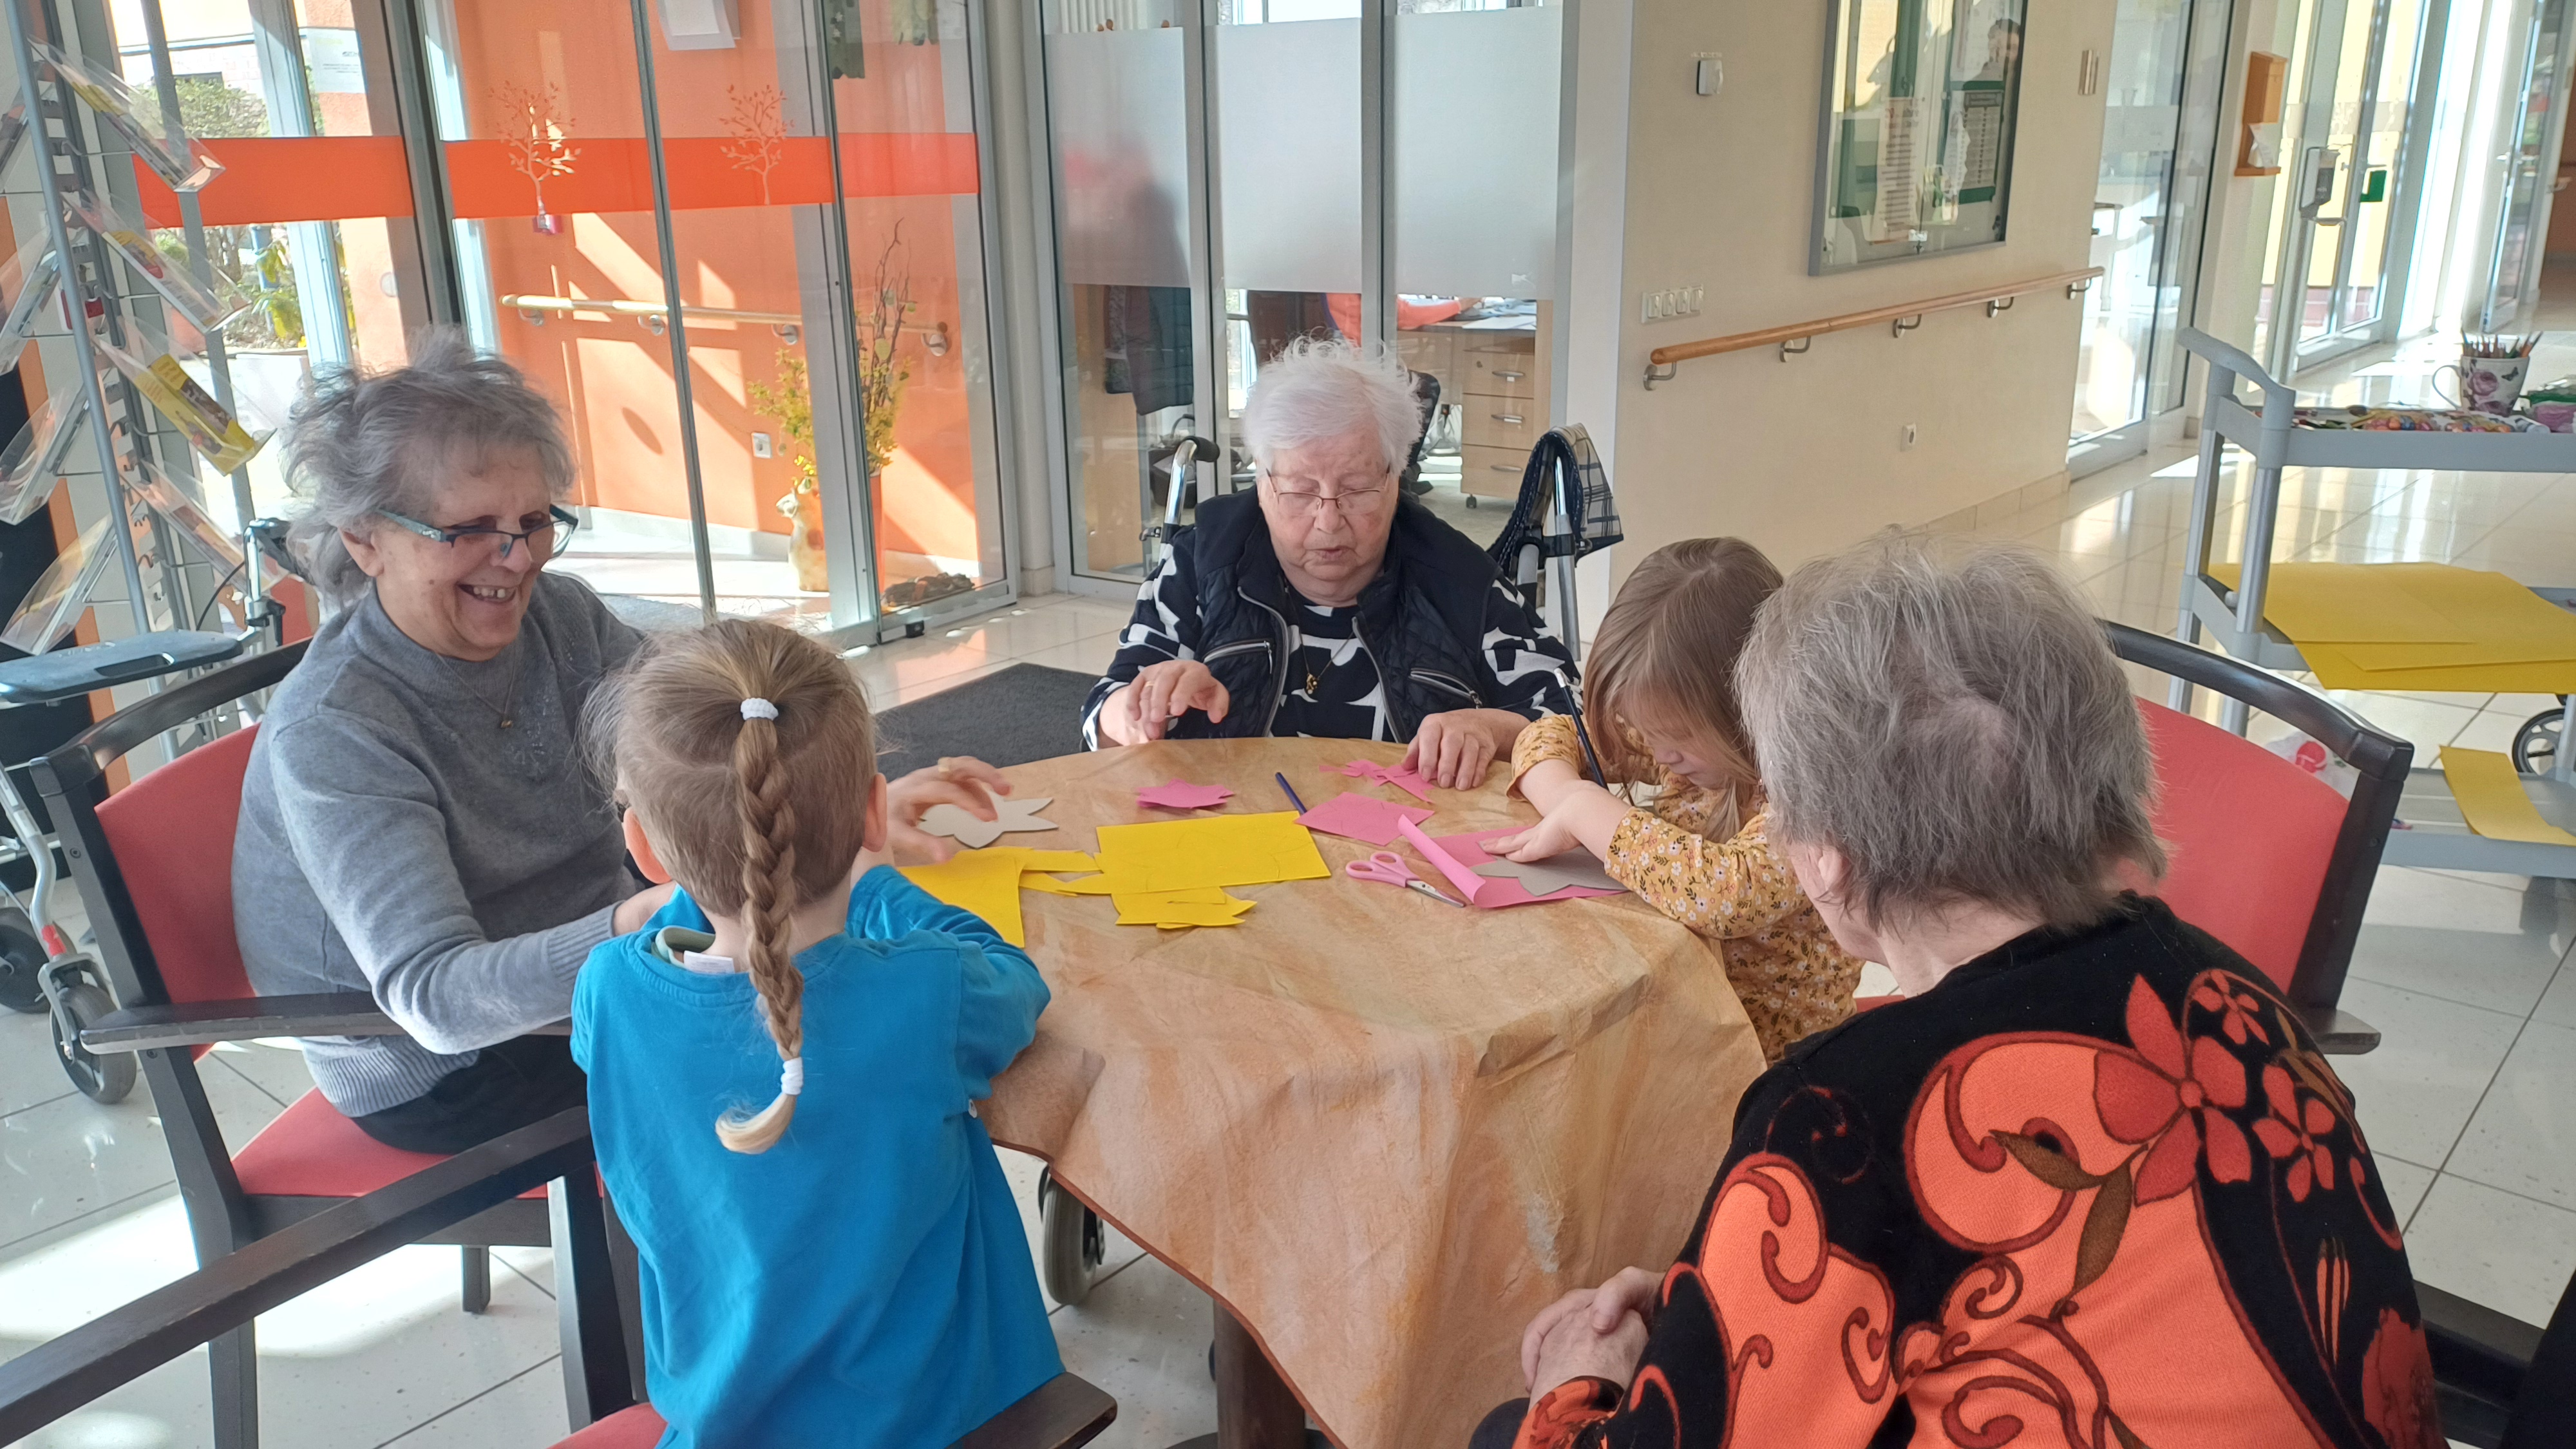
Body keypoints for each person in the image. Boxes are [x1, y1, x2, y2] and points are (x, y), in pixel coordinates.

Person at [1480, 535, 2441, 1449]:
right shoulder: (2237, 1001)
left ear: (1826, 857)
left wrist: (1583, 1378)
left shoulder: (1840, 1119)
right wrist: (1721, 1303)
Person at [234, 330, 1018, 1154]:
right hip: (449, 1069)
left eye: (535, 521)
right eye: (468, 528)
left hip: (607, 960)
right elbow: (438, 1000)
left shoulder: (560, 617)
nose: (516, 559)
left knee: (861, 997)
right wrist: (639, 922)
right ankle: (782, 1268)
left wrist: (837, 807)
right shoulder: (339, 729)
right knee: (850, 1043)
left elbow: (706, 750)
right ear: (364, 538)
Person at [574, 618, 1057, 1446]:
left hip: (717, 1413)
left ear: (644, 848)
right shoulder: (925, 991)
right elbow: (1014, 978)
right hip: (936, 1412)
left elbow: (709, 939)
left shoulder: (607, 986)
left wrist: (719, 867)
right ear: (877, 810)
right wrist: (877, 885)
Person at [1083, 337, 1576, 790]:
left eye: (1357, 489)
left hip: (1406, 855)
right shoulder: (1201, 564)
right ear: (1262, 485)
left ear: (1394, 478)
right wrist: (1140, 710)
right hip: (1229, 845)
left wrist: (1495, 728)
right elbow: (1097, 719)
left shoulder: (1459, 580)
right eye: (1300, 491)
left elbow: (1579, 720)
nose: (1328, 522)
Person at [1489, 539, 1862, 1063]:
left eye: (1677, 735)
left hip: (1772, 1061)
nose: (1662, 754)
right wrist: (1568, 795)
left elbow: (1728, 894)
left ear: (1745, 705)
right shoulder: (1681, 742)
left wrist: (1590, 814)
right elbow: (1548, 735)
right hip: (1682, 1017)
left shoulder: (1808, 790)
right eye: (1649, 732)